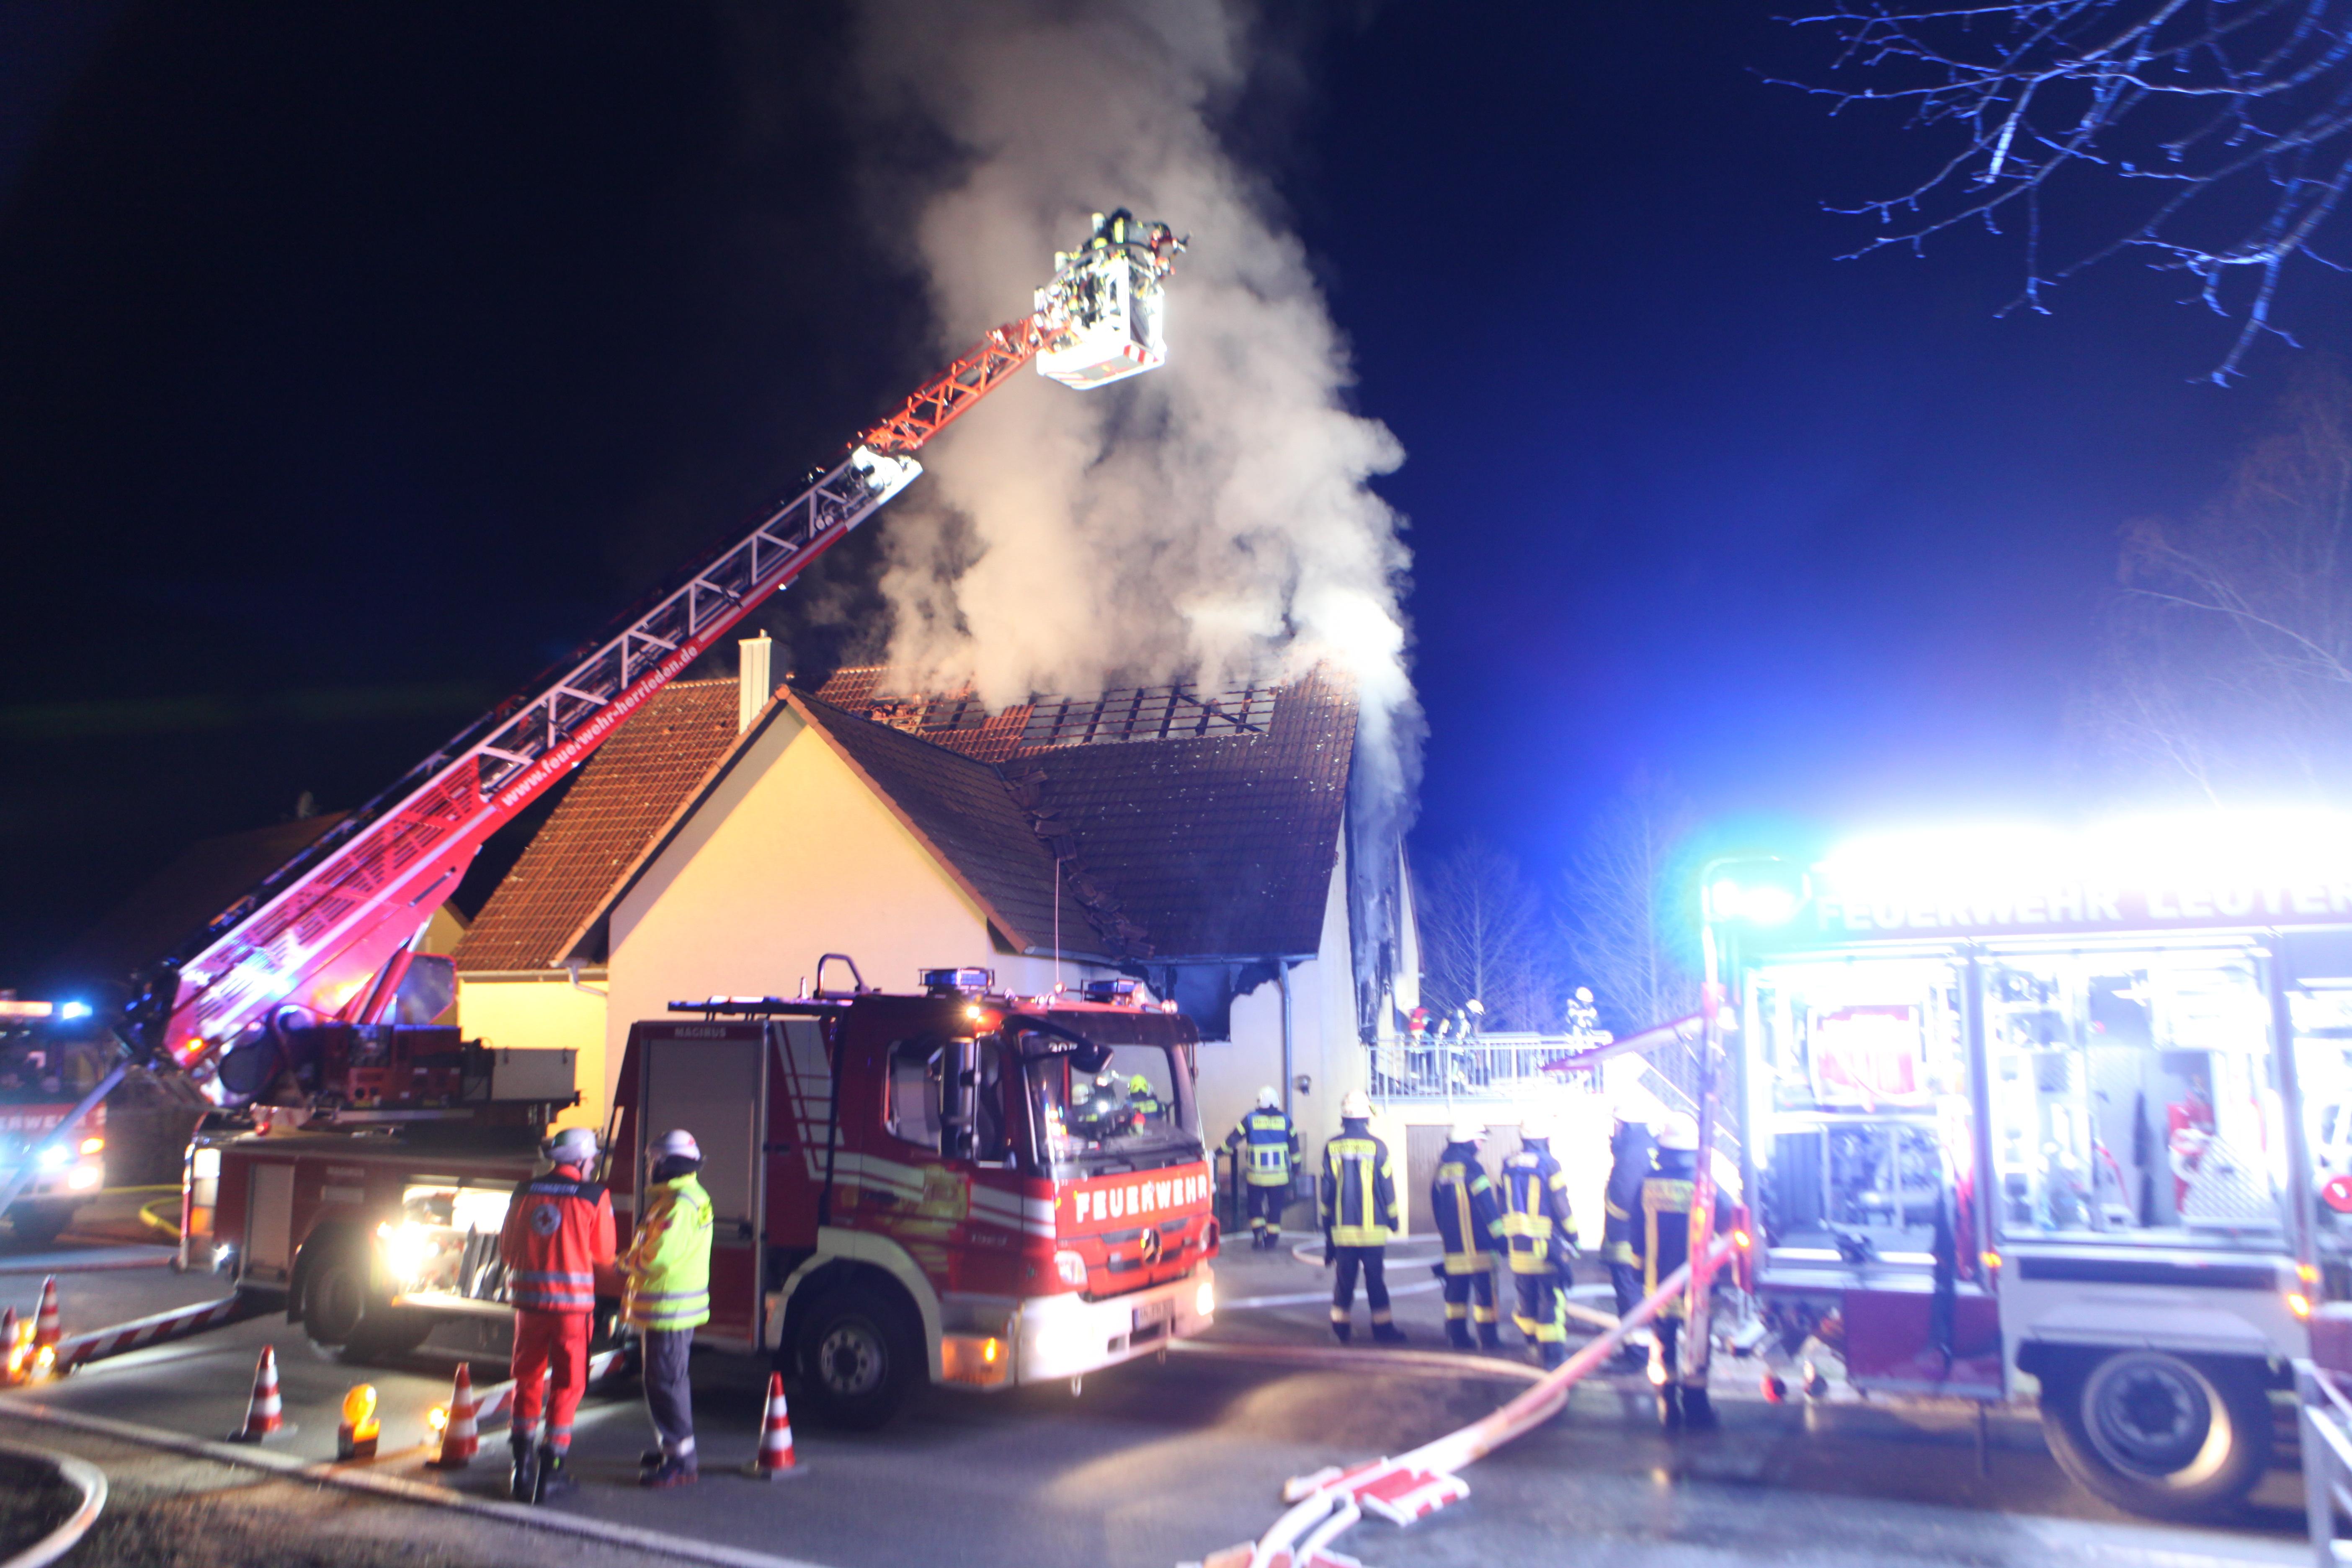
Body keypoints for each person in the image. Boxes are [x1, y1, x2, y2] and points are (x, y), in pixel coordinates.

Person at [499, 1125, 617, 1501]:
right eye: (592, 1160)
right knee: (568, 1385)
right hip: (571, 1311)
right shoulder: (593, 1196)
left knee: (527, 1380)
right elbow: (605, 1257)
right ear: (581, 1161)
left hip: (528, 1308)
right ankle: (551, 1470)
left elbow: (505, 1249)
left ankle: (521, 1466)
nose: (593, 1165)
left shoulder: (524, 1192)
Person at [625, 1128, 713, 1488]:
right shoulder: (682, 1197)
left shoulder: (678, 1204)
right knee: (663, 1381)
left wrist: (623, 1263)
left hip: (668, 1308)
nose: (649, 1167)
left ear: (666, 1163)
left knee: (666, 1383)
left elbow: (658, 1257)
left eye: (653, 1161)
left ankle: (680, 1462)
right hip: (668, 1308)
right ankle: (672, 1449)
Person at [1635, 1112, 1721, 1432]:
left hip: (1658, 1285)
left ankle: (1668, 1404)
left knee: (1663, 1342)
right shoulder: (1704, 1186)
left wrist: (1637, 1269)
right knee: (1697, 1344)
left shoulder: (1647, 1184)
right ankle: (1698, 1408)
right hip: (1697, 1287)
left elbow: (1636, 1233)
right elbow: (1729, 1226)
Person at [1322, 1090, 1406, 1344]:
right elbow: (1386, 1187)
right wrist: (1393, 1220)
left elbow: (1327, 1190)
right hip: (1374, 1232)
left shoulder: (1332, 1146)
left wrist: (1328, 1233)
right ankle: (1383, 1330)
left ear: (1344, 1118)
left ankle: (1340, 1330)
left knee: (1344, 1283)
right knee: (1375, 1282)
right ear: (1366, 1117)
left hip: (1342, 1231)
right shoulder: (1378, 1147)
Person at [1500, 1118, 1577, 1367]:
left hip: (1518, 1248)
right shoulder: (1549, 1165)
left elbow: (1502, 1202)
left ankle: (1532, 1347)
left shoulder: (1508, 1165)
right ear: (1545, 1139)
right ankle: (1552, 1356)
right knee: (1551, 1301)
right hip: (1545, 1250)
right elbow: (1561, 1204)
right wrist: (1573, 1236)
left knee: (1527, 1299)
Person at [1430, 1118, 1504, 1351]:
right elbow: (1487, 1207)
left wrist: (1448, 1237)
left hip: (1454, 1248)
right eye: (1478, 1142)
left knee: (1456, 1295)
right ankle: (1488, 1340)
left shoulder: (1441, 1170)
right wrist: (1501, 1239)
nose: (1480, 1147)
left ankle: (1456, 1337)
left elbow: (1437, 1208)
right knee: (1485, 1296)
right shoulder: (1473, 1169)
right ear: (1466, 1142)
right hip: (1479, 1247)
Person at [1600, 1100, 1657, 1367]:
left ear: (1626, 1126)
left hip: (1625, 1242)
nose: (1614, 1131)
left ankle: (1636, 1356)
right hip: (1644, 1241)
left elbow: (1621, 1200)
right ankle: (1642, 1352)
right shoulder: (1651, 1149)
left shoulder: (1632, 1154)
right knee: (1641, 1298)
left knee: (1630, 1299)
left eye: (1617, 1125)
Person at [1225, 1087, 1302, 1250]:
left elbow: (1233, 1139)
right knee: (1275, 1208)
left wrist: (1217, 1153)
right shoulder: (1287, 1121)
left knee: (1255, 1206)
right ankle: (1272, 1240)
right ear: (1276, 1102)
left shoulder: (1250, 1119)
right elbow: (1294, 1148)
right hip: (1279, 1178)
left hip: (1256, 1178)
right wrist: (1296, 1169)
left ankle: (1259, 1235)